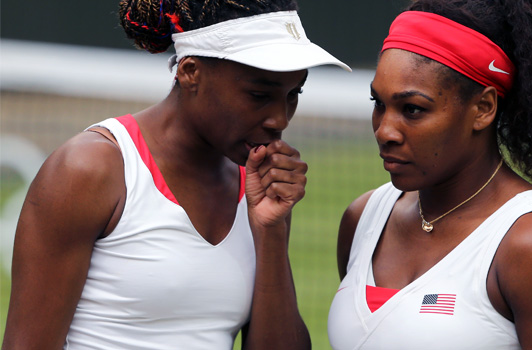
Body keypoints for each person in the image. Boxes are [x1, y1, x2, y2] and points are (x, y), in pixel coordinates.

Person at [2, 1, 350, 349]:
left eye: (293, 94)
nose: (280, 119)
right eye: (259, 95)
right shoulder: (89, 169)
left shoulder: (261, 187)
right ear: (190, 72)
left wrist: (271, 231)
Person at [328, 0, 532, 349]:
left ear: (483, 109)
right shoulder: (363, 219)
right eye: (379, 104)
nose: (385, 130)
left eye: (412, 109)